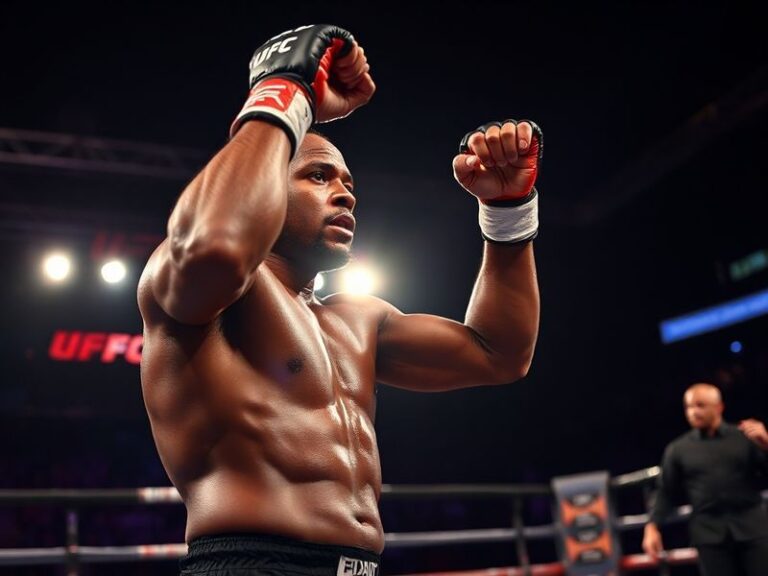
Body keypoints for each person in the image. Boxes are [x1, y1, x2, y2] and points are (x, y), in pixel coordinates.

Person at [137, 24, 542, 576]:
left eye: (348, 181)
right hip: (251, 565)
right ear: (263, 186)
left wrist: (509, 212)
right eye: (318, 175)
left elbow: (501, 354)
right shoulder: (204, 286)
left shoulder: (361, 319)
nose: (344, 192)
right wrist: (282, 94)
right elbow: (216, 245)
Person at [642, 382, 768, 576]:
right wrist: (652, 526)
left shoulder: (744, 437)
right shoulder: (678, 449)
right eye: (688, 407)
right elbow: (666, 491)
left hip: (752, 528)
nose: (693, 412)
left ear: (719, 407)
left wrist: (766, 444)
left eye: (700, 405)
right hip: (709, 534)